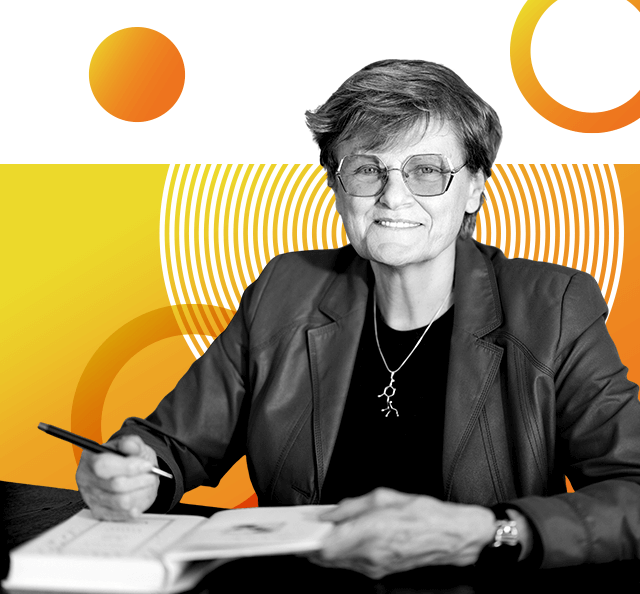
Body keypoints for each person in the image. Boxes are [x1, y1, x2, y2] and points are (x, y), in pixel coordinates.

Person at [76, 59, 640, 576]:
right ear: (336, 184)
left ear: (474, 188)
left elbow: (634, 493)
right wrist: (129, 475)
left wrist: (486, 532)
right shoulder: (286, 291)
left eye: (425, 171)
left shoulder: (555, 306)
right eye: (367, 169)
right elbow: (172, 447)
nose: (393, 197)